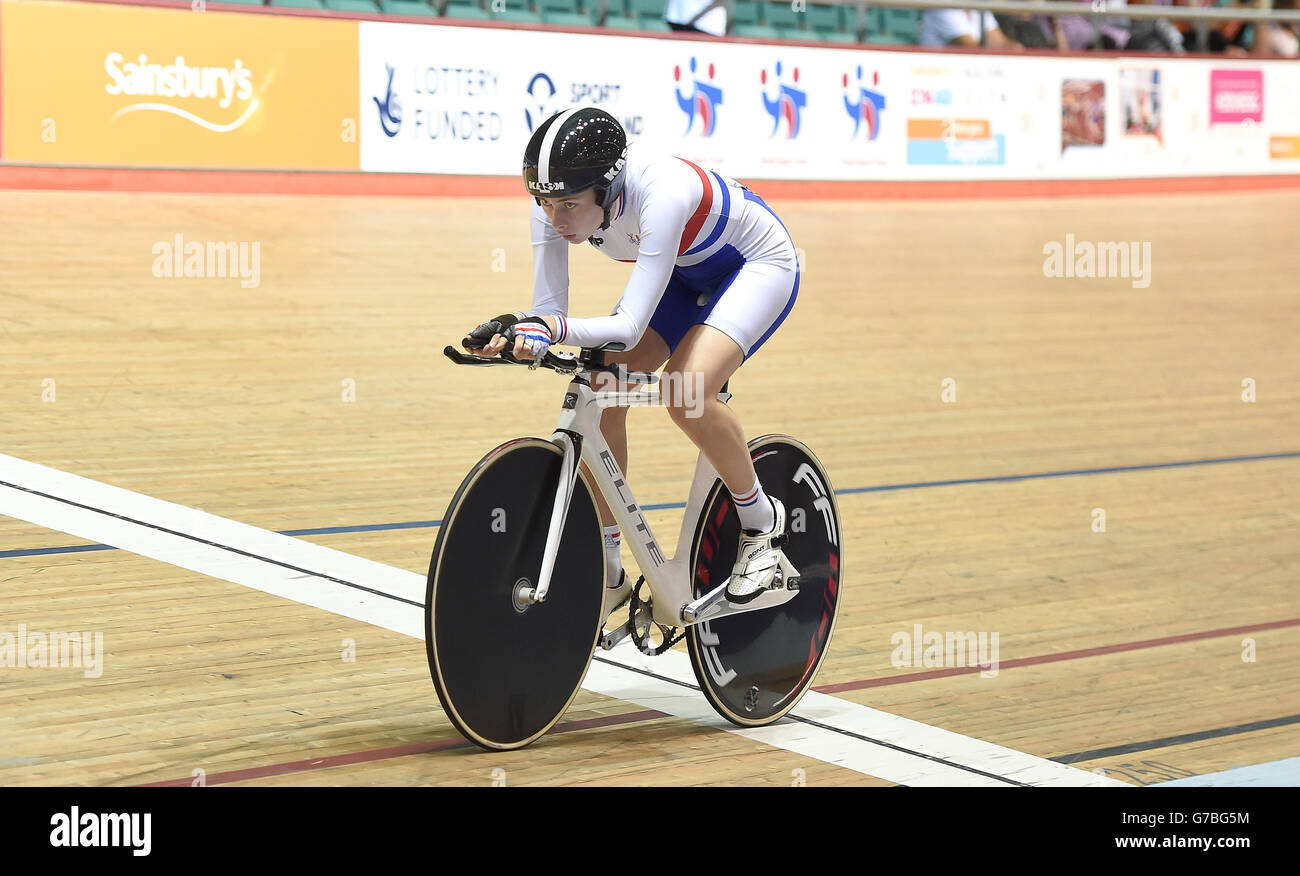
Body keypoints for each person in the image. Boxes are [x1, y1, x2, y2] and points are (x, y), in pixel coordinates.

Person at [463, 107, 800, 617]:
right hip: (685, 276)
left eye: (570, 206)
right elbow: (549, 312)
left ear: (609, 188)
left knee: (686, 391)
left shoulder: (661, 192)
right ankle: (610, 564)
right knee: (600, 388)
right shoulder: (558, 200)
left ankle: (761, 527)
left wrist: (548, 330)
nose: (556, 219)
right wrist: (523, 336)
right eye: (545, 203)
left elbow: (627, 326)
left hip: (757, 265)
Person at [919, 7, 1022, 48]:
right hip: (941, 74)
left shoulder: (976, 6)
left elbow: (998, 41)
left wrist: (1015, 48)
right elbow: (969, 46)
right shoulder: (942, 6)